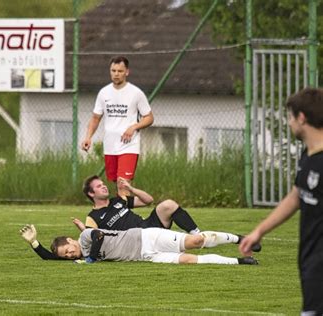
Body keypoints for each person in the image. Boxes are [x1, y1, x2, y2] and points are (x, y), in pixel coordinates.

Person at [24, 175, 261, 259]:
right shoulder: (92, 216)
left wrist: (130, 188)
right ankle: (231, 241)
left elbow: (149, 200)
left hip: (149, 226)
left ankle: (197, 233)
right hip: (138, 241)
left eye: (103, 184)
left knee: (167, 205)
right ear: (90, 194)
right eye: (98, 186)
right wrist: (79, 228)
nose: (104, 187)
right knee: (187, 250)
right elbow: (91, 239)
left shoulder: (119, 200)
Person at [240, 88, 323, 314]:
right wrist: (259, 231)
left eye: (290, 117)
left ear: (302, 118)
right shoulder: (308, 155)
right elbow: (296, 195)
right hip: (309, 257)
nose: (288, 123)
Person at [81, 56, 154, 197]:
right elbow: (96, 118)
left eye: (120, 71)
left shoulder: (136, 93)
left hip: (129, 146)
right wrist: (88, 137)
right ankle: (124, 214)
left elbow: (149, 118)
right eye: (113, 70)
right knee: (117, 185)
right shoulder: (104, 93)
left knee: (123, 184)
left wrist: (133, 127)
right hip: (110, 146)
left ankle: (124, 217)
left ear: (127, 72)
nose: (116, 74)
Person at [20, 224, 259, 265]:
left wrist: (91, 258)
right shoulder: (80, 257)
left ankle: (241, 239)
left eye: (68, 250)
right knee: (188, 261)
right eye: (67, 256)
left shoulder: (85, 237)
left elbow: (100, 236)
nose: (71, 254)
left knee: (196, 241)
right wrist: (34, 243)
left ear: (71, 240)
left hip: (147, 237)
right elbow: (49, 259)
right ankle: (240, 261)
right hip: (146, 256)